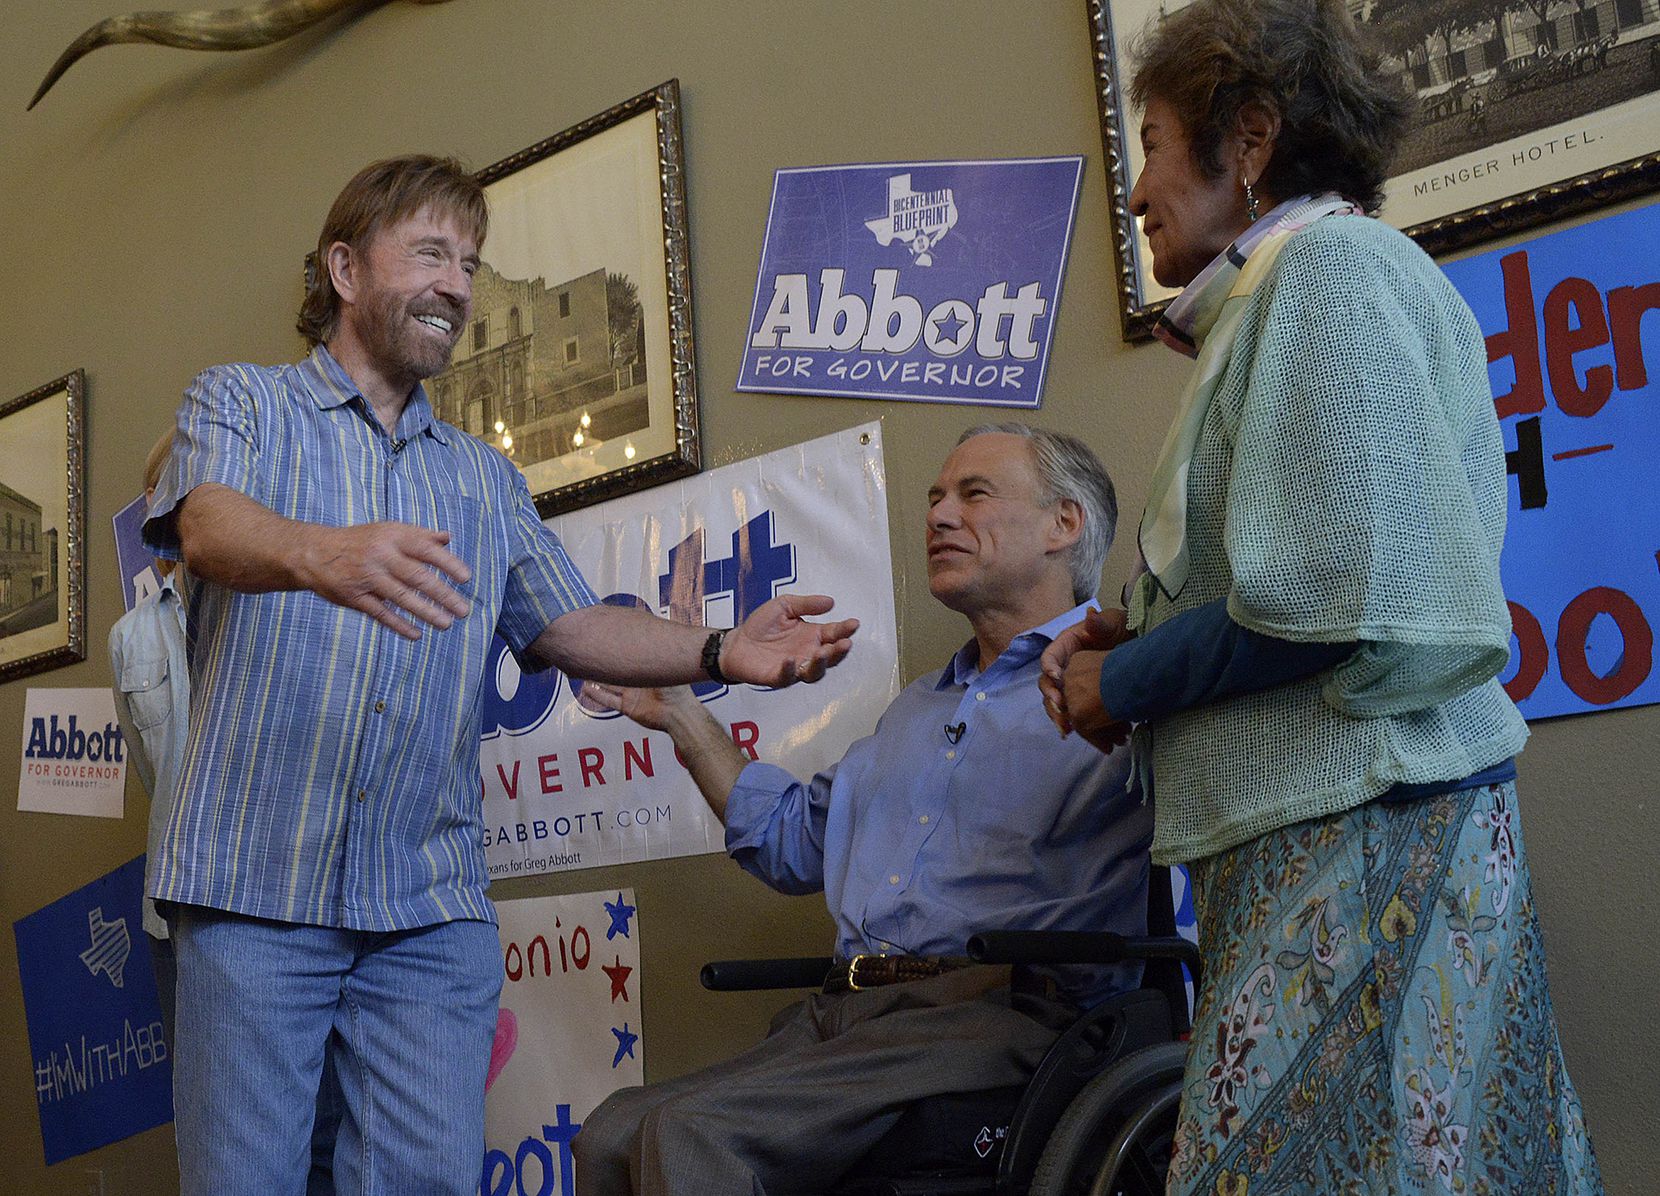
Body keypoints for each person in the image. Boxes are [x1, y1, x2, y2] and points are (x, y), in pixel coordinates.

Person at [141, 154, 859, 1196]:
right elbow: (204, 525)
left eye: (470, 264)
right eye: (429, 252)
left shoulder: (480, 475)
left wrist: (716, 650)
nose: (457, 285)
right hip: (255, 899)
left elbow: (566, 624)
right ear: (344, 268)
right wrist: (323, 552)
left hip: (427, 917)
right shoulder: (241, 404)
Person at [1039, 2, 1602, 1192]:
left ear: (1247, 141)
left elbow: (1333, 595)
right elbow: (1279, 565)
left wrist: (1121, 679)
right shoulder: (1285, 292)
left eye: (1150, 143)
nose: (1136, 191)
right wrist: (1130, 625)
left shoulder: (1330, 276)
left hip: (1368, 834)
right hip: (1337, 832)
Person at [572, 424, 1154, 1196]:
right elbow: (787, 842)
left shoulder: (1122, 684)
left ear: (1065, 523)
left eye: (973, 494)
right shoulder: (916, 713)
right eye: (934, 498)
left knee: (693, 1137)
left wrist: (1141, 662)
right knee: (610, 1131)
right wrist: (682, 712)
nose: (939, 516)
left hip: (1003, 1016)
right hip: (851, 1013)